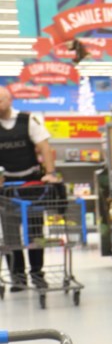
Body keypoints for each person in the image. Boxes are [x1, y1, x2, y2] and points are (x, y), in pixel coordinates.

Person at [0, 86, 59, 291]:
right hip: (6, 187)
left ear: (9, 99)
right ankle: (17, 278)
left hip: (31, 184)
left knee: (35, 232)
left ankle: (37, 273)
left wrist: (50, 173)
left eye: (0, 101)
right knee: (10, 235)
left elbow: (44, 146)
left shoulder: (28, 120)